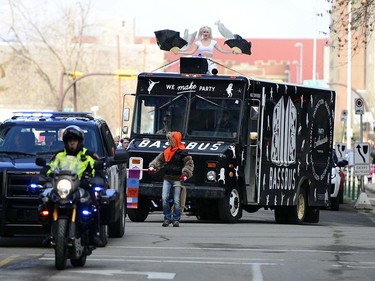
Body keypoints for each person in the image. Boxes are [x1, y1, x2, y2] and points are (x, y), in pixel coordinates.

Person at [42, 125, 103, 246]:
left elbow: (97, 168)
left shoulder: (89, 155)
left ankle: (93, 234)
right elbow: (50, 167)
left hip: (81, 185)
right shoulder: (59, 155)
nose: (72, 143)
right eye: (69, 141)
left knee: (93, 204)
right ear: (65, 142)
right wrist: (43, 174)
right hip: (62, 186)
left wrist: (97, 176)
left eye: (74, 140)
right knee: (45, 201)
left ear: (79, 141)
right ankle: (48, 232)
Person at [148, 131, 194, 227]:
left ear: (175, 140)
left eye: (171, 139)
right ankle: (167, 218)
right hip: (167, 178)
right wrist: (153, 167)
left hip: (178, 178)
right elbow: (159, 161)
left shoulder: (183, 152)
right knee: (164, 198)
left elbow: (189, 164)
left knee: (177, 200)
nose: (169, 142)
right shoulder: (167, 151)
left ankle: (176, 219)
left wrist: (185, 174)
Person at [174, 26, 238, 74]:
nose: (205, 33)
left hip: (210, 61)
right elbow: (191, 52)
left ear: (209, 33)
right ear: (202, 33)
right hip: (201, 61)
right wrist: (179, 52)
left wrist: (231, 51)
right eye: (204, 32)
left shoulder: (213, 42)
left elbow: (222, 51)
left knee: (213, 70)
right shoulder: (198, 42)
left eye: (207, 32)